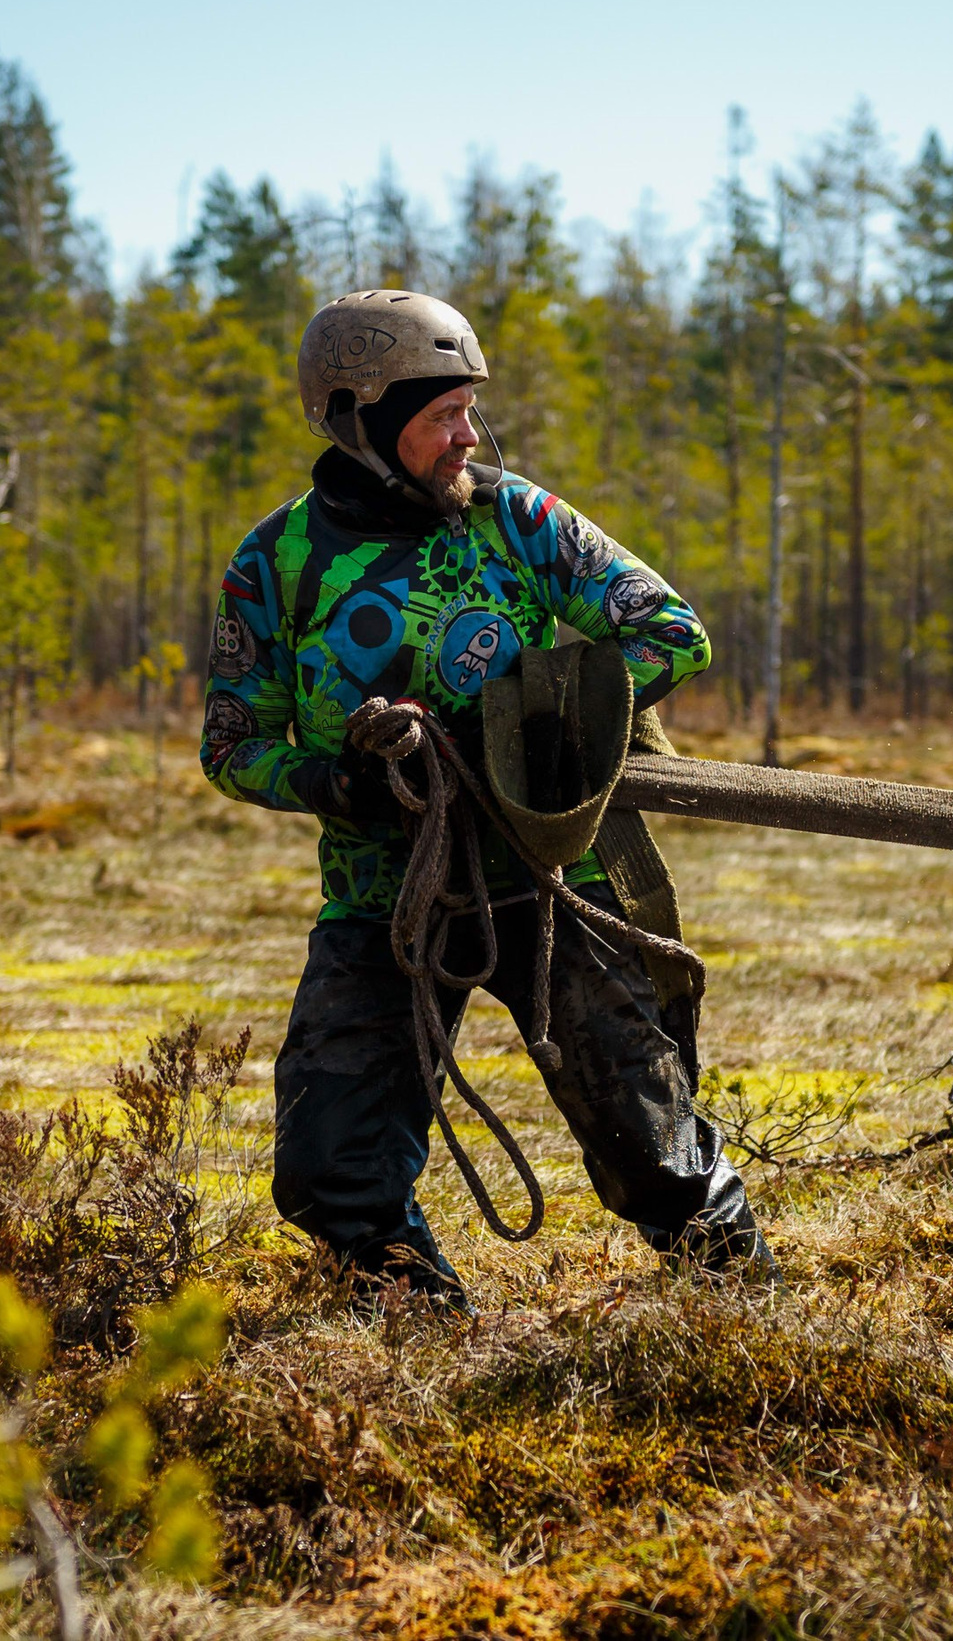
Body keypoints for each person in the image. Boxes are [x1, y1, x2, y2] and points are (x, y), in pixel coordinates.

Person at [199, 289, 769, 1305]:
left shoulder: (519, 519)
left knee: (656, 1154)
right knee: (331, 1169)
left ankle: (753, 1316)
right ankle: (424, 1339)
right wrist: (336, 781)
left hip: (553, 884)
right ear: (360, 422)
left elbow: (672, 633)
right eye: (442, 415)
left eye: (470, 409)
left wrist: (527, 731)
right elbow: (231, 745)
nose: (468, 434)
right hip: (384, 900)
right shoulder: (275, 563)